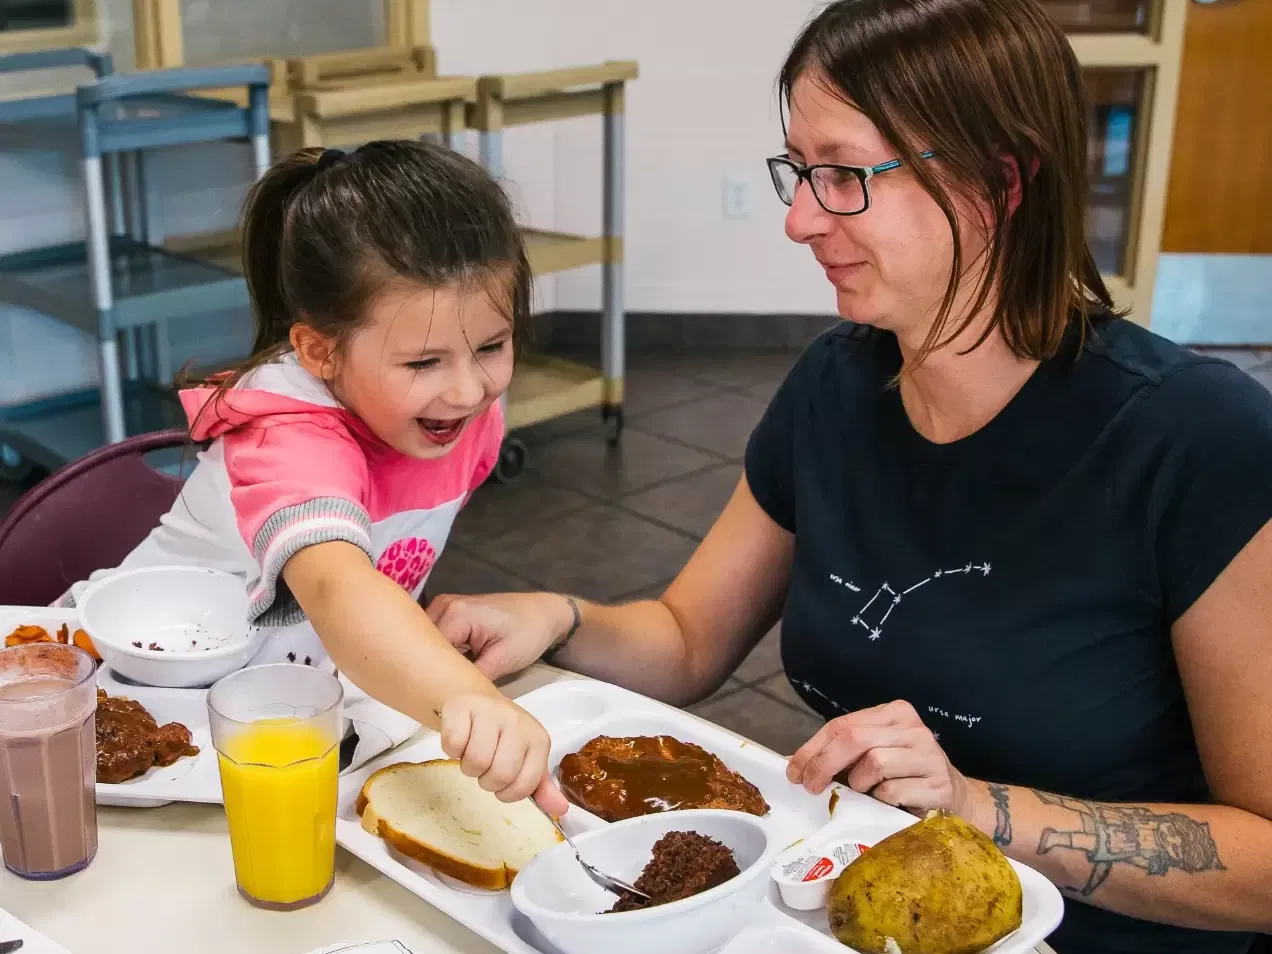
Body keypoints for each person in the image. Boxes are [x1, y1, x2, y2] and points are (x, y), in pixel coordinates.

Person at [425, 1, 1272, 951]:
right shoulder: (836, 386)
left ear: (999, 182)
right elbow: (688, 638)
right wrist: (559, 618)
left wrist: (971, 805)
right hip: (854, 913)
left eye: (844, 176)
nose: (797, 219)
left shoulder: (1199, 440)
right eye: (799, 171)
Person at [62, 141, 566, 815]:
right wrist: (469, 700)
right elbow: (334, 586)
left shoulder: (461, 413)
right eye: (423, 363)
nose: (469, 389)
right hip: (127, 698)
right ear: (318, 351)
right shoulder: (288, 431)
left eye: (491, 347)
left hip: (279, 704)